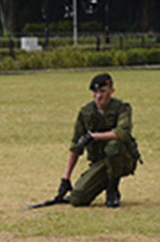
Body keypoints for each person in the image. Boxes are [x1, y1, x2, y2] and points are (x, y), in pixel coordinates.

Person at [58, 72, 140, 208]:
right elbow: (76, 145)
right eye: (95, 92)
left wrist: (93, 136)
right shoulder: (86, 112)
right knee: (77, 198)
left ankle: (112, 189)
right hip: (101, 162)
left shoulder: (122, 108)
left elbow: (123, 133)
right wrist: (66, 178)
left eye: (102, 91)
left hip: (123, 160)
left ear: (111, 91)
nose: (98, 96)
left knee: (113, 146)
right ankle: (101, 180)